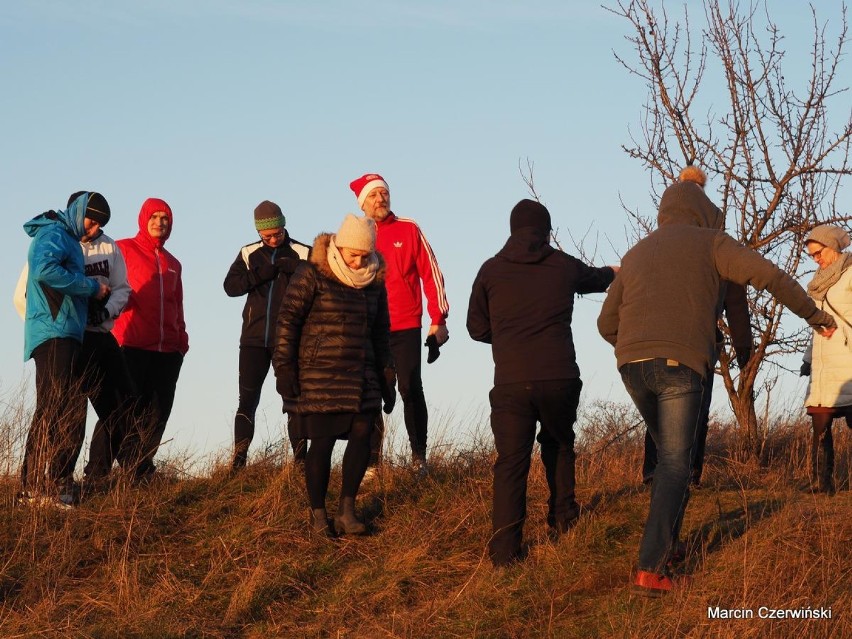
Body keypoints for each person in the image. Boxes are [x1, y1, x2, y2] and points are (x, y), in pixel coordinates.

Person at [597, 167, 837, 597]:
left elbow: (605, 323)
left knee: (675, 458)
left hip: (631, 367)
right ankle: (651, 570)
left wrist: (634, 345)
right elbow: (772, 278)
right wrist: (816, 316)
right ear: (705, 212)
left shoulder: (635, 253)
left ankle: (665, 548)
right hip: (681, 364)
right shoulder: (713, 243)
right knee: (677, 463)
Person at [467, 199, 618, 567]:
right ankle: (564, 520)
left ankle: (504, 551)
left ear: (511, 230)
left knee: (511, 462)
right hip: (559, 377)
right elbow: (597, 278)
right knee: (560, 444)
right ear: (546, 230)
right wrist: (615, 271)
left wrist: (507, 337)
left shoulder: (490, 270)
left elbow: (476, 328)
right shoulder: (562, 266)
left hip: (511, 382)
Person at [273, 214, 395, 537]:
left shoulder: (374, 282)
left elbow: (381, 331)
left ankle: (347, 510)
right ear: (339, 247)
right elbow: (287, 320)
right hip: (320, 376)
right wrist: (284, 368)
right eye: (353, 254)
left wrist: (387, 373)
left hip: (362, 377)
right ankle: (318, 516)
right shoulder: (312, 273)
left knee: (362, 437)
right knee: (323, 443)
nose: (358, 261)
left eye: (364, 255)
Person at [641, 168, 753, 488]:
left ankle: (653, 471)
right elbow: (735, 297)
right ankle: (690, 475)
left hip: (654, 338)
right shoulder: (716, 245)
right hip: (698, 339)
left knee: (660, 406)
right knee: (696, 408)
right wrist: (743, 346)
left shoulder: (652, 247)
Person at [350, 173, 448, 474]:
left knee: (409, 387)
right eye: (373, 195)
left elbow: (431, 273)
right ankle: (372, 464)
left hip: (405, 323)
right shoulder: (354, 234)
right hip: (368, 326)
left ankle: (419, 458)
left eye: (384, 193)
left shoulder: (408, 228)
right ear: (362, 203)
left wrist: (438, 319)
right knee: (371, 393)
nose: (380, 199)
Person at [18, 192, 111, 507]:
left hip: (63, 331)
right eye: (93, 219)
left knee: (58, 406)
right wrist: (91, 288)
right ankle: (34, 488)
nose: (94, 228)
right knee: (54, 407)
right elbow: (45, 270)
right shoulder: (55, 233)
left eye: (100, 225)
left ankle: (44, 486)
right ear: (80, 211)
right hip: (54, 330)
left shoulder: (67, 237)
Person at [224, 200, 310, 470]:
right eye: (267, 235)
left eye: (277, 234)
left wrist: (295, 268)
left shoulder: (303, 252)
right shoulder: (248, 253)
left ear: (284, 227)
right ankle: (238, 462)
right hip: (252, 340)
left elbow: (319, 287)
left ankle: (300, 462)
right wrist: (262, 273)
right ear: (259, 232)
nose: (273, 239)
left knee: (293, 399)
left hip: (289, 339)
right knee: (247, 401)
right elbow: (230, 287)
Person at [112, 197, 189, 482]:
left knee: (157, 413)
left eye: (165, 218)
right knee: (121, 410)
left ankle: (141, 470)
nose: (159, 222)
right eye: (154, 217)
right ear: (143, 219)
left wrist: (182, 340)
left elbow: (177, 303)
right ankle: (97, 472)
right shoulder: (123, 249)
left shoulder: (174, 264)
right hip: (130, 343)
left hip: (168, 350)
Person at [799, 224, 852, 495]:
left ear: (832, 247)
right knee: (819, 422)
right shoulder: (817, 285)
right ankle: (823, 484)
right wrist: (808, 359)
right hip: (823, 362)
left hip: (848, 361)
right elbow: (815, 327)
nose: (816, 259)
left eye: (818, 253)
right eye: (812, 256)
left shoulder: (851, 273)